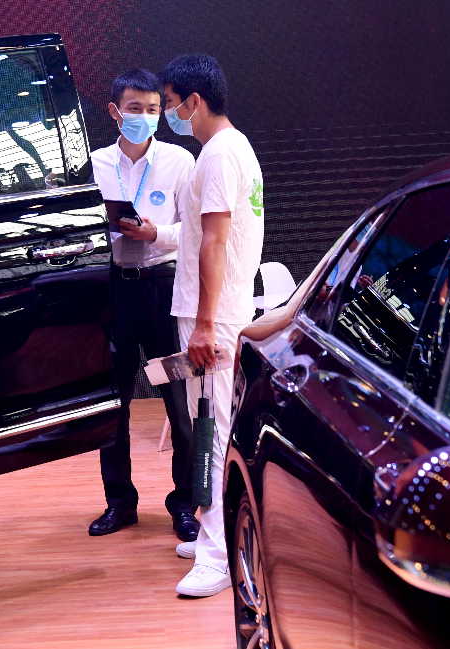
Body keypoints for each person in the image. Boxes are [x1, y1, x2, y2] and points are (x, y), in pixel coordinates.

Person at [159, 54, 265, 597]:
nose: (171, 114)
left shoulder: (220, 155)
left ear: (194, 102)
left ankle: (219, 555)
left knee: (211, 431)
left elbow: (218, 242)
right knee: (212, 426)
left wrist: (202, 325)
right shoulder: (233, 149)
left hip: (215, 318)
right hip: (219, 314)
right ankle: (209, 534)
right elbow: (205, 235)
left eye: (173, 104)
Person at [88, 69, 199, 541]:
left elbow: (196, 230)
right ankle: (120, 503)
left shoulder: (179, 160)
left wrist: (157, 233)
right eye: (135, 109)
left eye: (154, 109)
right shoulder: (92, 164)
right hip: (112, 292)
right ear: (115, 112)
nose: (146, 117)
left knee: (177, 398)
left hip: (162, 288)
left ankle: (185, 504)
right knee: (113, 403)